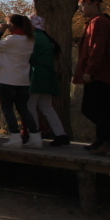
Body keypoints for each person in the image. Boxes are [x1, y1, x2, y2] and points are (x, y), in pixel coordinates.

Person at [75, 0, 110, 155]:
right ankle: (106, 143)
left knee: (90, 109)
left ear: (94, 4)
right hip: (104, 74)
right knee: (104, 110)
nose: (80, 9)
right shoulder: (96, 22)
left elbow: (96, 48)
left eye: (82, 5)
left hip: (101, 75)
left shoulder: (99, 23)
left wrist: (89, 71)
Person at [0, 14, 42, 148]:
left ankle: (15, 137)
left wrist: (0, 31)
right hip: (22, 79)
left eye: (8, 24)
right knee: (23, 108)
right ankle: (35, 137)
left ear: (13, 25)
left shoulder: (13, 39)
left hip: (7, 79)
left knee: (7, 108)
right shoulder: (29, 39)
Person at [26, 15, 70, 146]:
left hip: (37, 76)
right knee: (46, 106)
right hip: (48, 76)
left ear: (33, 25)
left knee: (30, 105)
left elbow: (29, 56)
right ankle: (60, 134)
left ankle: (34, 135)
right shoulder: (46, 38)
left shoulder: (35, 38)